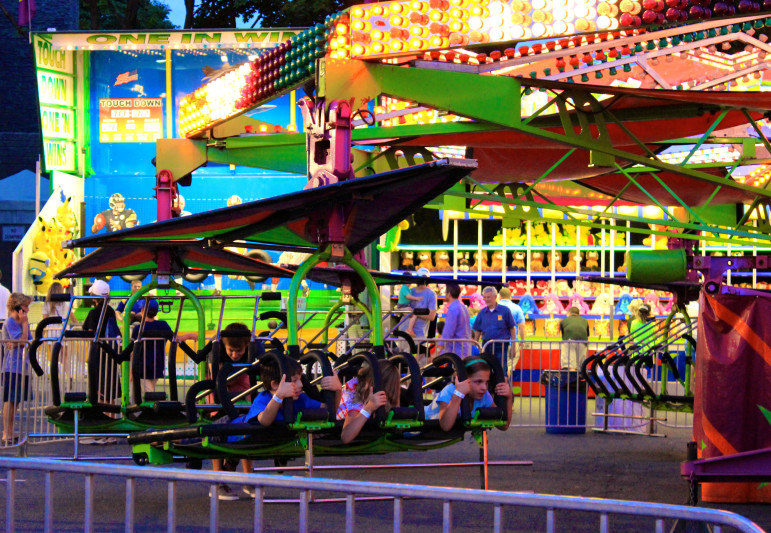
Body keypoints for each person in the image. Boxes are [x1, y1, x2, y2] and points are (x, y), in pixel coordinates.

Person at [209, 322, 253, 500]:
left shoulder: (251, 352)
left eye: (239, 351)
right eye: (231, 351)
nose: (235, 355)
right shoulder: (217, 352)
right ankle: (218, 481)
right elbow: (218, 378)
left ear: (247, 346)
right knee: (218, 436)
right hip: (220, 399)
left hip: (243, 397)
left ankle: (248, 478)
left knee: (247, 434)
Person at [131, 299, 197, 395]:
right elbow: (176, 338)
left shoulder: (138, 328)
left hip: (142, 367)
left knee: (147, 394)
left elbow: (132, 351)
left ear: (142, 311)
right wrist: (190, 335)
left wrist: (131, 371)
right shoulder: (163, 325)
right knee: (149, 390)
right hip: (157, 365)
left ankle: (149, 409)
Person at [430, 357, 513, 432]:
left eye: (486, 382)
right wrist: (458, 394)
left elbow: (503, 425)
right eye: (479, 381)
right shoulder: (450, 391)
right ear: (464, 379)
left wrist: (508, 398)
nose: (484, 387)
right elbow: (445, 426)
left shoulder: (484, 395)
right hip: (426, 422)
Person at [338, 360, 401, 444]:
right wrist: (369, 408)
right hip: (330, 430)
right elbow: (346, 437)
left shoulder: (387, 396)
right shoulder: (355, 397)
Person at [82, 279, 122, 408]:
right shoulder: (110, 310)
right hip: (110, 352)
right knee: (109, 390)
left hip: (98, 355)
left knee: (99, 389)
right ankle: (112, 415)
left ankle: (104, 417)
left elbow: (90, 333)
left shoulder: (94, 313)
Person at [1, 293, 32, 444]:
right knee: (10, 399)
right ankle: (7, 431)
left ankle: (10, 430)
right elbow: (23, 340)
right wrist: (25, 325)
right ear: (19, 307)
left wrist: (24, 332)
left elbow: (28, 340)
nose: (28, 309)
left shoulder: (22, 321)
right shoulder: (11, 322)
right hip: (12, 366)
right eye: (26, 306)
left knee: (16, 400)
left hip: (23, 365)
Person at [472, 286, 517, 376]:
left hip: (501, 345)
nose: (486, 299)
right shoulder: (482, 313)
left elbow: (512, 329)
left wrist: (513, 347)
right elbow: (477, 331)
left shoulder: (505, 311)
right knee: (486, 370)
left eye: (488, 297)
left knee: (501, 370)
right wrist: (474, 346)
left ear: (495, 297)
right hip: (486, 345)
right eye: (485, 297)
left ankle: (502, 388)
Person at [438, 283, 472, 358]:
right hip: (465, 347)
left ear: (449, 294)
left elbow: (449, 330)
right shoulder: (463, 307)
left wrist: (440, 346)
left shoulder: (453, 309)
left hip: (455, 349)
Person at [404, 268, 437, 339]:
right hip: (404, 333)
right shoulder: (410, 291)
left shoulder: (431, 294)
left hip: (419, 335)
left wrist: (415, 312)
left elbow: (432, 316)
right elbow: (402, 310)